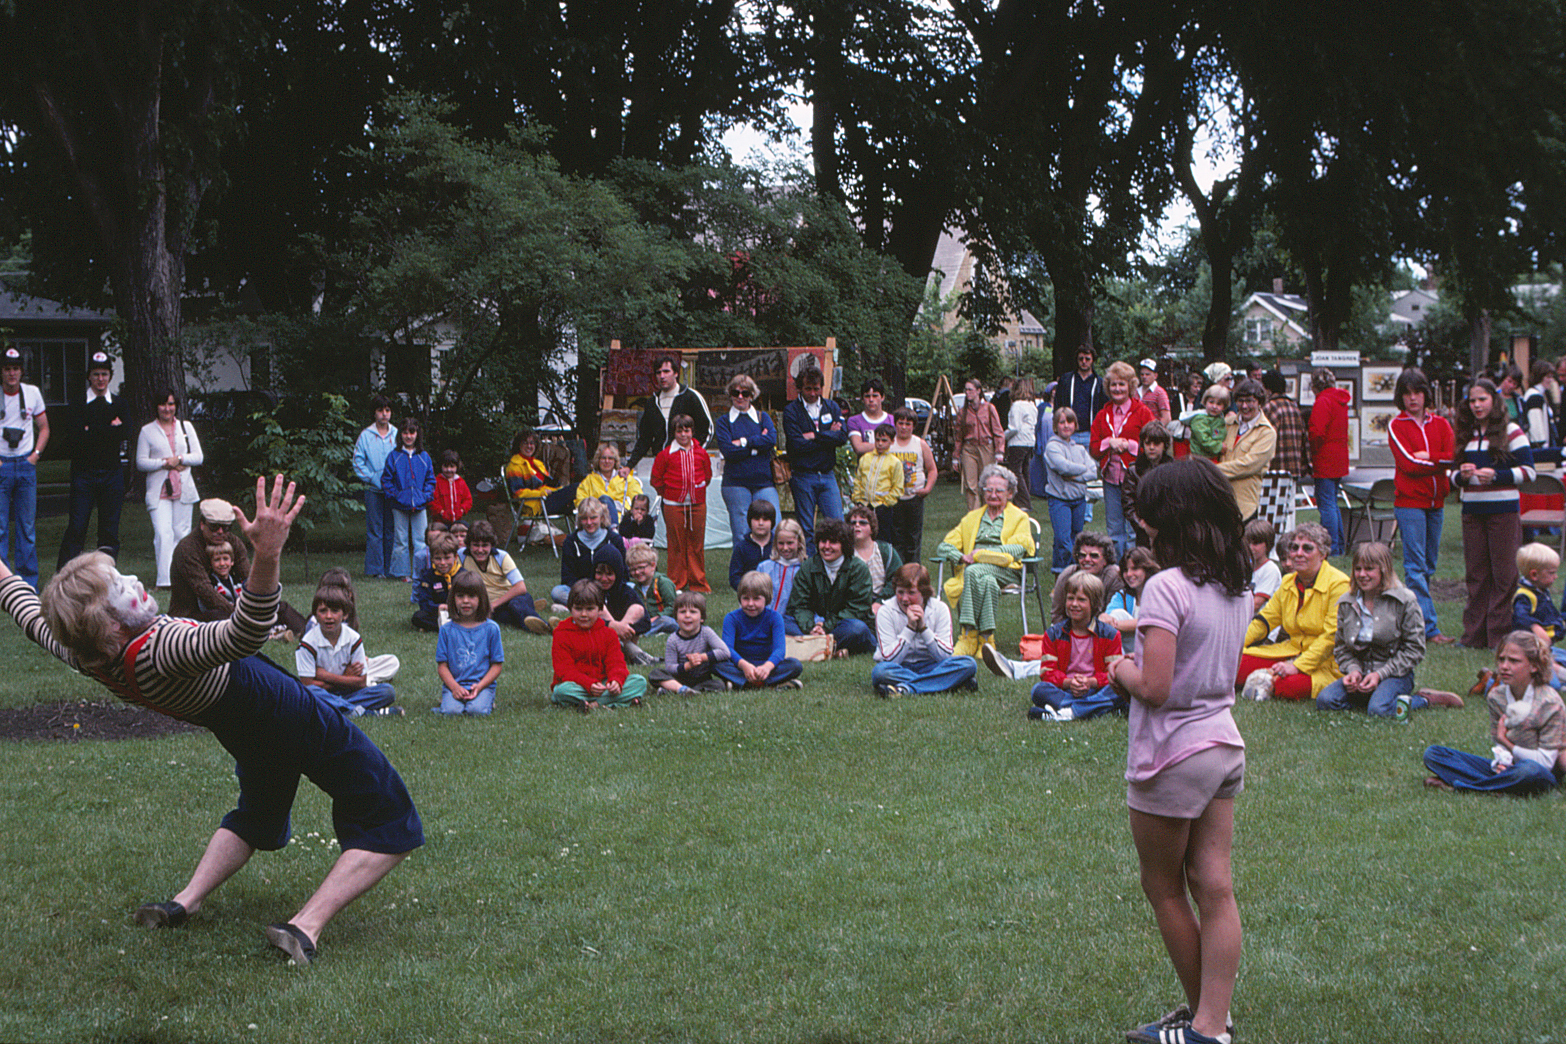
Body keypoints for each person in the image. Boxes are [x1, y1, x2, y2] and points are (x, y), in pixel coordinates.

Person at [0, 475, 421, 965]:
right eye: (120, 587)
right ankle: (304, 927)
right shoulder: (163, 649)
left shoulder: (85, 652)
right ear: (110, 623)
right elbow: (245, 634)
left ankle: (184, 902)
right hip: (278, 707)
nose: (135, 581)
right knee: (389, 812)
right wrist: (266, 555)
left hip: (237, 725)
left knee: (259, 810)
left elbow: (24, 607)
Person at [1103, 458, 1251, 1044]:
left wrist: (1121, 667)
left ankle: (1208, 1026)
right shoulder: (1235, 582)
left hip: (1172, 754)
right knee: (1215, 887)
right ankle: (1211, 1021)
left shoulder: (1165, 587)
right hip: (1223, 745)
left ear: (1168, 519)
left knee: (1163, 887)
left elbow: (1156, 687)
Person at [1315, 541, 1462, 718]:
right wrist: (1353, 670)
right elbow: (1341, 647)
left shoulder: (1404, 600)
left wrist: (1380, 674)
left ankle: (1424, 699)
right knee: (1325, 701)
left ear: (1383, 570)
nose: (1362, 575)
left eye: (1369, 569)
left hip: (1394, 673)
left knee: (1379, 710)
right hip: (1361, 672)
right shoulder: (1347, 601)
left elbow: (1415, 649)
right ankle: (1371, 697)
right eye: (1358, 569)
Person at [1423, 631, 1563, 795]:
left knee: (1528, 770)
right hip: (1511, 768)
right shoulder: (1497, 696)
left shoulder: (1550, 703)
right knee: (1433, 754)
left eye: (1513, 661)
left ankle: (1465, 787)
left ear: (1534, 666)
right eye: (1501, 659)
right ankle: (1499, 785)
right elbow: (1500, 744)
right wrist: (1501, 762)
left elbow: (1545, 762)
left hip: (1539, 772)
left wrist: (1507, 743)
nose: (1504, 666)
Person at [1454, 377, 1535, 650]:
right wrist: (1461, 476)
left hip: (1503, 511)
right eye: (1473, 401)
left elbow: (1529, 471)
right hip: (1472, 512)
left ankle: (1498, 636)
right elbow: (1452, 475)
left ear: (1494, 400)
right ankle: (1473, 636)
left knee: (1504, 574)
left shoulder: (1512, 431)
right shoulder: (1467, 433)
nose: (1477, 405)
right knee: (1476, 574)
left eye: (1482, 400)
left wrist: (1498, 475)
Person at [1235, 522, 1349, 702]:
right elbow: (1264, 621)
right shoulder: (1289, 581)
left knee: (1287, 687)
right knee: (1234, 666)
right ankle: (1270, 674)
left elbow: (1330, 638)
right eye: (1294, 547)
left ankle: (1271, 675)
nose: (1298, 554)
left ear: (1323, 554)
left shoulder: (1339, 585)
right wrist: (1236, 646)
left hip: (1325, 662)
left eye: (1307, 548)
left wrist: (1297, 666)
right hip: (1289, 651)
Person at [169, 499, 309, 636]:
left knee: (279, 607)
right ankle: (268, 631)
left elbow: (249, 577)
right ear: (202, 524)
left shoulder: (233, 542)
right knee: (221, 617)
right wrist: (240, 613)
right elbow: (205, 593)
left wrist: (259, 605)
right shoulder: (187, 549)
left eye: (226, 527)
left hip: (233, 606)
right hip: (192, 614)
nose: (220, 531)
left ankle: (309, 632)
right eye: (214, 526)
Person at [1387, 367, 1457, 644]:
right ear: (1400, 397)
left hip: (1436, 502)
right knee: (1415, 568)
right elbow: (1408, 464)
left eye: (1417, 392)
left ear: (1426, 394)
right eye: (1407, 393)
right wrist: (1439, 464)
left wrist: (1431, 457)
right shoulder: (1397, 425)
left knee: (1429, 565)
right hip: (1410, 503)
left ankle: (1411, 620)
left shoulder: (1441, 424)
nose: (1412, 398)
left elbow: (1453, 457)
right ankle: (1430, 629)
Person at [936, 464, 1035, 656]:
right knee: (987, 582)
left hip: (1007, 570)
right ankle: (986, 641)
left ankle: (967, 636)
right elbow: (944, 545)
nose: (993, 494)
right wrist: (960, 556)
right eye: (988, 490)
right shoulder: (972, 518)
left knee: (973, 571)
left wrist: (982, 554)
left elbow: (1018, 548)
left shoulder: (1019, 518)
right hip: (980, 571)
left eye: (999, 490)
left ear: (1010, 493)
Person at [57, 350, 130, 569]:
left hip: (112, 475)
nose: (100, 379)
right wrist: (108, 429)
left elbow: (125, 432)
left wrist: (91, 429)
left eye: (105, 374)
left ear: (110, 376)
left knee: (109, 531)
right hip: (83, 474)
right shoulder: (77, 404)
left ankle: (106, 576)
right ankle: (64, 576)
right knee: (77, 527)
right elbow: (73, 439)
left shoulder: (119, 404)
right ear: (89, 376)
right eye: (96, 374)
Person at [1026, 571, 1126, 721]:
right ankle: (1094, 709)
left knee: (1121, 690)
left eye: (1081, 600)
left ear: (1094, 603)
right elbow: (1047, 673)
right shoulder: (1053, 634)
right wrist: (1070, 682)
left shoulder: (1110, 635)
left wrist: (1090, 682)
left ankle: (1069, 712)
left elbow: (1114, 674)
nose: (1074, 604)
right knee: (1039, 690)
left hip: (1096, 690)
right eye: (1070, 598)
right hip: (1066, 690)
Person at [872, 562, 979, 696]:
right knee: (880, 672)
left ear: (924, 592)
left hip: (933, 666)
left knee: (968, 664)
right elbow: (889, 659)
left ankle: (905, 689)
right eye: (900, 592)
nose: (904, 599)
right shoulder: (886, 611)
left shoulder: (940, 609)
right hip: (900, 667)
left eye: (911, 593)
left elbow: (945, 656)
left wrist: (923, 629)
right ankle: (948, 683)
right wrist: (910, 628)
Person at [296, 583, 401, 717]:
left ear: (345, 614)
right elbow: (308, 686)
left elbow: (361, 682)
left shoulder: (353, 639)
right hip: (322, 694)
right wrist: (346, 677)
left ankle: (338, 708)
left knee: (387, 691)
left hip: (348, 692)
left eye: (335, 611)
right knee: (312, 694)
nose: (329, 616)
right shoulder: (307, 644)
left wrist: (325, 676)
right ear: (315, 615)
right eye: (323, 611)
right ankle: (360, 712)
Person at [549, 578, 651, 712]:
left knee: (639, 682)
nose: (584, 614)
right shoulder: (561, 633)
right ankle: (616, 702)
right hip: (578, 685)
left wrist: (616, 681)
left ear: (600, 609)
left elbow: (616, 663)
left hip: (604, 684)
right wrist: (588, 684)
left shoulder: (609, 634)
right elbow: (565, 670)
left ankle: (593, 705)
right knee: (561, 692)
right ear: (570, 608)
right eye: (578, 609)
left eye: (590, 609)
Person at [781, 365, 848, 554]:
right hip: (803, 476)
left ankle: (838, 563)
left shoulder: (831, 407)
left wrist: (815, 436)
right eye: (808, 388)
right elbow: (797, 445)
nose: (812, 393)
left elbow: (842, 437)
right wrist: (828, 437)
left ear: (822, 387)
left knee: (836, 523)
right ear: (800, 388)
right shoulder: (792, 411)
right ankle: (809, 567)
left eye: (816, 388)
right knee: (806, 528)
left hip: (827, 475)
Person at [136, 389, 199, 589]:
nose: (167, 409)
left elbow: (198, 456)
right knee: (163, 534)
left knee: (182, 534)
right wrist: (165, 464)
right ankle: (165, 581)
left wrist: (180, 459)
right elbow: (141, 462)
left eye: (171, 404)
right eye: (163, 404)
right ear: (156, 406)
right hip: (159, 491)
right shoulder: (147, 431)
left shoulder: (186, 427)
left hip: (183, 489)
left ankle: (184, 578)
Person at [787, 517, 876, 656]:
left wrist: (826, 627)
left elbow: (857, 608)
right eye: (823, 541)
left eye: (833, 542)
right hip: (814, 626)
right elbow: (799, 606)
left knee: (858, 629)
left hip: (843, 626)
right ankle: (829, 648)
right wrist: (811, 627)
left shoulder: (858, 568)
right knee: (781, 622)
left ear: (844, 545)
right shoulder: (807, 567)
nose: (826, 546)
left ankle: (813, 646)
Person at [713, 373, 780, 546]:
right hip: (735, 484)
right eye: (736, 393)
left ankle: (770, 570)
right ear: (730, 395)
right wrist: (757, 447)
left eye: (745, 393)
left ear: (752, 395)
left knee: (775, 529)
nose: (740, 397)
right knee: (742, 535)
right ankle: (743, 573)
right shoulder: (723, 422)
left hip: (764, 482)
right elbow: (729, 452)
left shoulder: (762, 417)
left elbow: (771, 440)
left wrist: (743, 442)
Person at [651, 413, 713, 593]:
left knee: (696, 543)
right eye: (679, 431)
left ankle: (698, 582)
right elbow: (656, 478)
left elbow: (707, 476)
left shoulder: (701, 453)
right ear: (674, 433)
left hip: (697, 504)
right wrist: (669, 493)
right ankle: (676, 582)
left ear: (692, 432)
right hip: (673, 505)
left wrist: (697, 491)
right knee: (676, 543)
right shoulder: (665, 454)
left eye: (687, 430)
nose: (683, 435)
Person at [715, 571, 805, 690]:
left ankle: (743, 683)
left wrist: (767, 666)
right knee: (715, 663)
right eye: (746, 598)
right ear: (739, 598)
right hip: (740, 665)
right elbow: (728, 649)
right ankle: (770, 684)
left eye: (756, 599)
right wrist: (744, 665)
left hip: (767, 665)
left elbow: (780, 649)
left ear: (766, 598)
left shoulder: (775, 618)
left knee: (795, 665)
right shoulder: (731, 618)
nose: (751, 604)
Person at [435, 570, 506, 715]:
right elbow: (442, 666)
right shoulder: (446, 630)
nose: (465, 601)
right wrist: (454, 687)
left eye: (472, 596)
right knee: (451, 712)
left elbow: (497, 665)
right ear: (453, 598)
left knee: (476, 711)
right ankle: (447, 701)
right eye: (460, 596)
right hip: (455, 685)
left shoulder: (491, 629)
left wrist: (479, 686)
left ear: (481, 599)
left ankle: (487, 700)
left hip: (482, 685)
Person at [459, 520, 550, 633]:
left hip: (511, 598)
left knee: (516, 606)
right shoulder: (461, 556)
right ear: (469, 544)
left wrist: (492, 605)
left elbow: (521, 587)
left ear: (491, 545)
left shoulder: (501, 556)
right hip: (495, 608)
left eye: (485, 546)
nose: (480, 550)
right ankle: (530, 608)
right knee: (505, 618)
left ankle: (546, 627)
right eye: (476, 545)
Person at [626, 354, 713, 471]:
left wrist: (694, 455)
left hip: (688, 464)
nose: (662, 376)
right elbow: (645, 439)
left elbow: (707, 430)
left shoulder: (691, 396)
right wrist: (629, 465)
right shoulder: (652, 403)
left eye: (666, 371)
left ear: (676, 373)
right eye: (658, 373)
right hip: (662, 465)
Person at [1042, 407, 1096, 573]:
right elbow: (1063, 467)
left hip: (1079, 499)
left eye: (1070, 422)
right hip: (1060, 499)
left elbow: (1093, 471)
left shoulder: (1079, 448)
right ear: (1055, 426)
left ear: (1075, 425)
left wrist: (1075, 476)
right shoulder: (1052, 447)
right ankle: (1063, 571)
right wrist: (1082, 470)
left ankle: (1072, 571)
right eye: (1062, 422)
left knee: (1077, 537)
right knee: (1063, 539)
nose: (1066, 425)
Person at [1216, 379, 1276, 522]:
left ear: (1259, 402)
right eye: (1240, 401)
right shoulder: (1226, 424)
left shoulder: (1267, 433)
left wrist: (1211, 470)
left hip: (1245, 508)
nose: (1244, 406)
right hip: (1219, 502)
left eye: (1250, 401)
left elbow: (1248, 465)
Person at [648, 590, 731, 694]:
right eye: (682, 612)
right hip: (679, 679)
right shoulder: (673, 639)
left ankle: (679, 691)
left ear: (702, 618)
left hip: (702, 678)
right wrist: (688, 665)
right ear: (676, 618)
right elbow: (669, 667)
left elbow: (725, 652)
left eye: (693, 612)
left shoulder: (706, 632)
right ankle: (680, 689)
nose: (687, 615)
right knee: (655, 674)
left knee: (719, 684)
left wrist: (701, 657)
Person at [381, 418, 434, 581]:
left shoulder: (424, 457)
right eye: (405, 433)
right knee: (400, 540)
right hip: (399, 506)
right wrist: (397, 495)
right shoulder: (394, 456)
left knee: (421, 540)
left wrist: (424, 496)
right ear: (400, 435)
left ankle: (422, 572)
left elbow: (430, 480)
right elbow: (386, 480)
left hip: (419, 506)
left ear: (417, 434)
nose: (408, 436)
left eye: (412, 432)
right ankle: (401, 572)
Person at [1307, 368, 1351, 556]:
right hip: (1339, 457)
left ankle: (1332, 548)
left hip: (1325, 458)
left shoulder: (1323, 401)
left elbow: (1316, 432)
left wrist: (1312, 452)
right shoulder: (1339, 401)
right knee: (1332, 502)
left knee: (1326, 505)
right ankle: (1339, 545)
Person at [352, 395, 397, 577]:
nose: (384, 414)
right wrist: (371, 478)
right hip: (373, 490)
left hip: (393, 490)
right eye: (380, 410)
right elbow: (358, 461)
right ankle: (375, 570)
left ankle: (391, 568)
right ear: (374, 413)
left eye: (387, 410)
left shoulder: (396, 434)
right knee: (375, 530)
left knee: (391, 530)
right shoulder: (366, 435)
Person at [552, 497, 627, 607]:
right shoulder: (571, 541)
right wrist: (585, 590)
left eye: (593, 518)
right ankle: (596, 605)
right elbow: (567, 577)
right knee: (557, 592)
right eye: (584, 518)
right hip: (582, 591)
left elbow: (624, 574)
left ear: (601, 517)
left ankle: (580, 606)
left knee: (630, 587)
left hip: (610, 590)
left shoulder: (615, 539)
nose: (589, 522)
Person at [887, 406, 938, 567]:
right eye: (900, 423)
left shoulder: (920, 444)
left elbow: (932, 469)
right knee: (897, 537)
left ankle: (914, 570)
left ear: (913, 426)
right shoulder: (889, 443)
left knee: (913, 537)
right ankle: (899, 570)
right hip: (894, 498)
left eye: (908, 424)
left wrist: (927, 489)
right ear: (895, 424)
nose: (904, 427)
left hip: (914, 496)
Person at [591, 543, 654, 666]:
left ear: (618, 573)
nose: (604, 579)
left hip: (623, 640)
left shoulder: (625, 591)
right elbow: (584, 620)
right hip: (596, 641)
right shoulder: (589, 590)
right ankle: (633, 653)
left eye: (609, 574)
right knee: (599, 608)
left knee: (637, 609)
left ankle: (623, 648)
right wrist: (612, 625)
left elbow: (646, 622)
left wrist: (623, 628)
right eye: (599, 573)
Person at [952, 376, 1006, 511]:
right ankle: (974, 516)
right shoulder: (963, 412)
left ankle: (989, 512)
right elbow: (958, 436)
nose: (967, 392)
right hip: (969, 448)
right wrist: (955, 456)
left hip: (986, 447)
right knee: (971, 485)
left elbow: (998, 431)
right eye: (966, 390)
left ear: (978, 391)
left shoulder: (989, 408)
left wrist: (999, 451)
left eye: (970, 389)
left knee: (986, 482)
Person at [1051, 531, 1124, 625]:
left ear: (1105, 559)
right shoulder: (1068, 574)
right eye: (1082, 555)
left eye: (1094, 556)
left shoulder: (1114, 576)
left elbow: (1111, 615)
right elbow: (1057, 614)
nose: (1087, 559)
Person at [846, 502, 904, 619]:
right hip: (854, 606)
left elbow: (898, 578)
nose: (857, 525)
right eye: (853, 523)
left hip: (885, 603)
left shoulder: (886, 551)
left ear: (872, 528)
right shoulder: (845, 553)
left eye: (862, 523)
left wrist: (879, 602)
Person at [1121, 421, 1172, 549]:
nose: (1151, 447)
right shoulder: (1134, 471)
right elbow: (1128, 504)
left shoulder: (1173, 470)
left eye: (1156, 443)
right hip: (1143, 530)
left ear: (1165, 445)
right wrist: (1143, 526)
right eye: (1148, 443)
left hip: (1169, 530)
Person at [505, 429, 561, 541]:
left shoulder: (537, 463)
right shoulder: (514, 466)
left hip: (546, 499)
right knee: (577, 489)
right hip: (534, 504)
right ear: (518, 445)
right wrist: (542, 493)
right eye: (525, 443)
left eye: (532, 443)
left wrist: (555, 489)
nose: (529, 446)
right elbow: (518, 493)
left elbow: (549, 483)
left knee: (576, 492)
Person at [1102, 546, 1160, 655]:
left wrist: (1115, 624)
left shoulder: (1159, 593)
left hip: (1155, 647)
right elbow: (1107, 620)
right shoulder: (1122, 596)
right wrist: (1104, 617)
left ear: (1147, 569)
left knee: (1118, 616)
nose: (1129, 574)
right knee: (1116, 614)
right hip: (1129, 649)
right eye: (1125, 570)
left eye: (1135, 569)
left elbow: (1151, 622)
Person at [852, 422, 904, 535]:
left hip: (883, 508)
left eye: (884, 441)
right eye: (877, 440)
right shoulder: (865, 458)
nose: (880, 444)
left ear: (892, 441)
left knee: (883, 536)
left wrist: (885, 504)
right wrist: (858, 500)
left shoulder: (895, 462)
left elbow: (898, 487)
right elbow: (858, 481)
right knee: (864, 535)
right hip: (864, 506)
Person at [574, 441, 641, 526]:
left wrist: (614, 506)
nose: (606, 461)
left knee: (606, 501)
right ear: (598, 460)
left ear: (615, 460)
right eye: (603, 458)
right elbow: (581, 503)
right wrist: (599, 507)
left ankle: (612, 531)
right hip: (595, 523)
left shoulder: (627, 479)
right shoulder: (588, 481)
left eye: (610, 458)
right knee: (604, 499)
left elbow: (638, 501)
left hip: (623, 522)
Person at [760, 519, 807, 629]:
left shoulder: (805, 570)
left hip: (792, 622)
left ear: (799, 543)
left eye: (790, 543)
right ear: (775, 543)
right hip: (763, 620)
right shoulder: (764, 567)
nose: (785, 548)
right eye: (781, 543)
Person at [412, 531, 461, 632]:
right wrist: (438, 607)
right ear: (432, 559)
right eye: (438, 559)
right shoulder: (428, 576)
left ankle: (440, 627)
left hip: (459, 612)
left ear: (455, 557)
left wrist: (455, 608)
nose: (443, 563)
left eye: (447, 558)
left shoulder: (463, 575)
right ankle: (450, 627)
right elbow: (424, 602)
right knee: (418, 617)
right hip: (437, 613)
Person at [626, 542, 678, 635]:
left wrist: (656, 617)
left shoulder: (662, 582)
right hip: (646, 621)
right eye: (633, 570)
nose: (637, 572)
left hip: (662, 619)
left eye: (641, 568)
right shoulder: (635, 588)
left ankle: (642, 633)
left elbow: (672, 607)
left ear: (653, 566)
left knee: (667, 622)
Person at [1002, 377, 1039, 511]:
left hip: (1018, 442)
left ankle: (1023, 501)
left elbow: (1014, 427)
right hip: (1029, 441)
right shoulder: (1032, 406)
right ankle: (1023, 499)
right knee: (1025, 470)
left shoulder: (1016, 406)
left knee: (1016, 471)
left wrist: (1003, 436)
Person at [728, 498, 775, 591]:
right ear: (749, 521)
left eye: (765, 519)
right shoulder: (741, 547)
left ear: (772, 522)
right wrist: (746, 589)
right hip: (749, 594)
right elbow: (734, 576)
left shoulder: (778, 545)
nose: (760, 523)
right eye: (756, 519)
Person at [847, 376, 893, 455]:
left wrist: (868, 446)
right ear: (862, 399)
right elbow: (858, 447)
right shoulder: (854, 421)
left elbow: (900, 445)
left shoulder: (892, 420)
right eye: (867, 396)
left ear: (882, 397)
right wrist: (888, 445)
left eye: (875, 396)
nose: (871, 400)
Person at [1244, 518, 1281, 613]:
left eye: (1256, 543)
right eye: (1248, 543)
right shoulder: (1245, 566)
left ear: (1268, 544)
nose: (1251, 547)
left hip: (1264, 625)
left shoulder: (1270, 570)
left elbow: (1256, 604)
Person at [429, 448, 471, 527]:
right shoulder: (436, 482)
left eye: (452, 467)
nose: (449, 470)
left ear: (457, 467)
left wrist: (462, 510)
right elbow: (432, 501)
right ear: (441, 466)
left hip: (457, 521)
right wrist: (441, 512)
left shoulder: (461, 482)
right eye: (446, 466)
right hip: (440, 522)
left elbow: (468, 500)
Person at [1187, 385, 1229, 463]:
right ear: (1205, 402)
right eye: (1211, 402)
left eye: (1219, 404)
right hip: (1200, 458)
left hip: (1214, 457)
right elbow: (1204, 440)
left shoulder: (1220, 419)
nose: (1214, 406)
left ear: (1224, 407)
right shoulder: (1200, 419)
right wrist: (1219, 447)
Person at [1136, 358, 1171, 423]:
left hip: (1153, 429)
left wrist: (1155, 430)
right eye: (1142, 374)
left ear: (1155, 376)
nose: (1144, 377)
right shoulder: (1135, 392)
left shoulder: (1160, 392)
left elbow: (1166, 418)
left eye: (1147, 374)